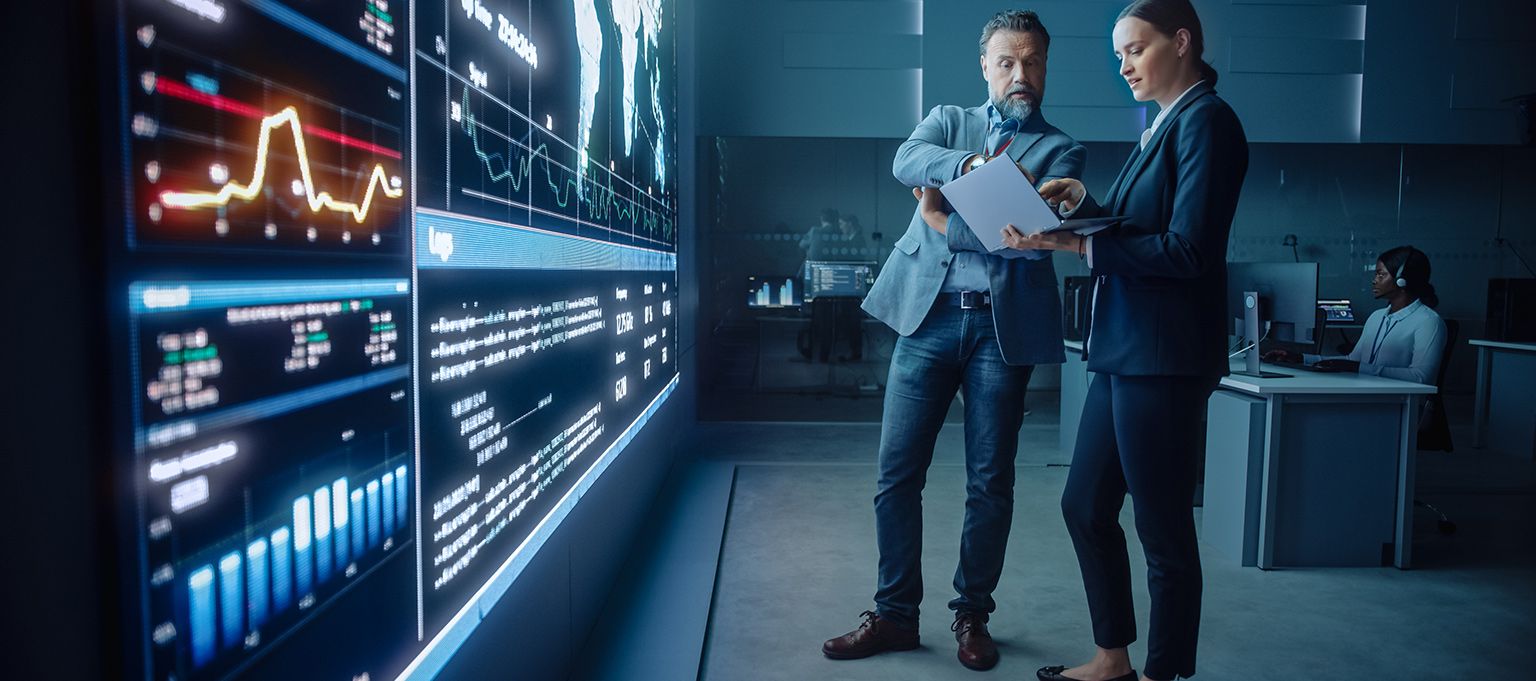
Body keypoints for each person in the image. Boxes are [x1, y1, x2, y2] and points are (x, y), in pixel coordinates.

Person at [821, 9, 1086, 672]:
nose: (1020, 75)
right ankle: (894, 615)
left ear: (1047, 66)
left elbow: (1023, 244)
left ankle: (972, 614)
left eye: (1032, 62)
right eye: (1007, 62)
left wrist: (940, 212)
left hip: (1003, 332)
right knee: (895, 474)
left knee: (990, 481)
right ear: (985, 66)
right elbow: (905, 159)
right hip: (928, 317)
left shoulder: (1062, 152)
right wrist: (973, 167)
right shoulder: (946, 120)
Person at [1003, 1, 1248, 679]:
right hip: (1125, 350)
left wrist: (1073, 240)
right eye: (1118, 55)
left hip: (1162, 358)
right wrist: (1078, 206)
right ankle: (1113, 656)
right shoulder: (1164, 125)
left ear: (1182, 41)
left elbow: (1188, 251)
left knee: (1163, 530)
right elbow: (1136, 225)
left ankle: (1163, 672)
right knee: (1084, 504)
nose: (1124, 66)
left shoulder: (1208, 123)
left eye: (1134, 50)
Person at [1265, 246, 1447, 383]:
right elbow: (1352, 361)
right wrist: (1300, 358)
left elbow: (1422, 377)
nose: (1374, 280)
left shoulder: (1428, 322)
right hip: (1365, 393)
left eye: (1381, 275)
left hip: (1396, 404)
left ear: (1402, 279)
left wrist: (1358, 368)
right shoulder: (1377, 317)